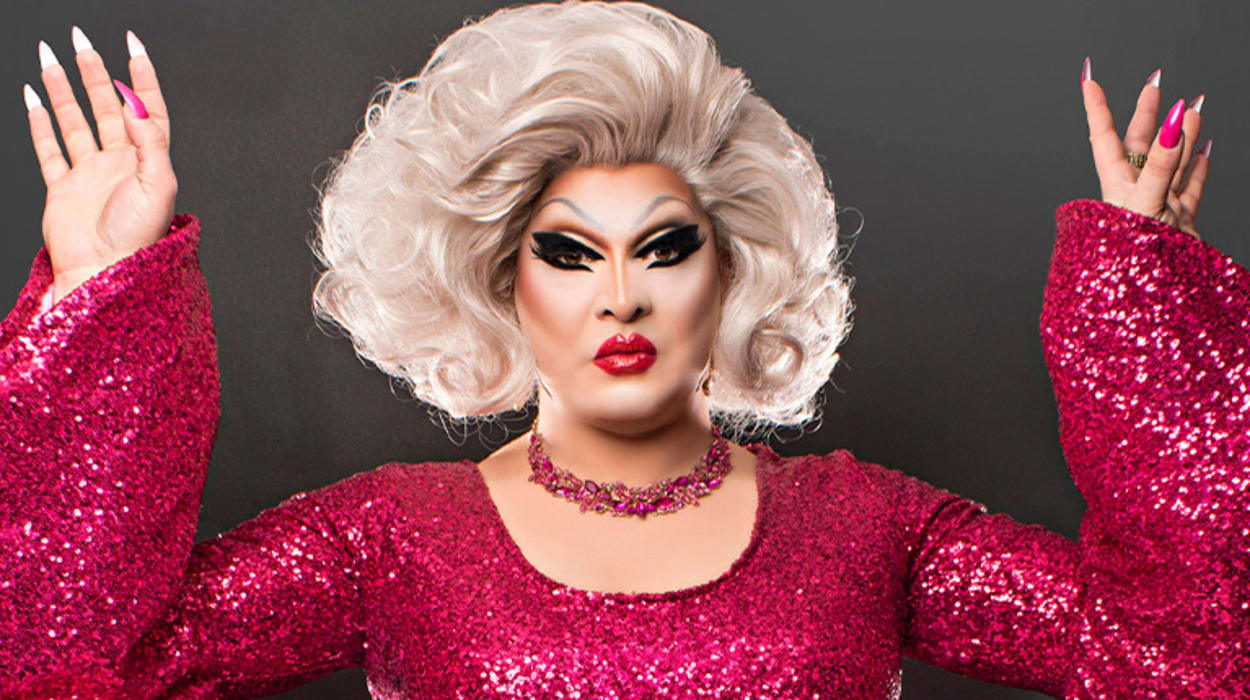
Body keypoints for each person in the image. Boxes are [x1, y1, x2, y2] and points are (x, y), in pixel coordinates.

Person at [1, 1, 1243, 697]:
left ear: (731, 269)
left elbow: (1177, 651)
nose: (619, 298)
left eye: (662, 248)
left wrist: (1146, 305)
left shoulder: (871, 526)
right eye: (566, 253)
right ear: (495, 279)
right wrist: (104, 280)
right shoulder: (388, 537)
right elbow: (85, 662)